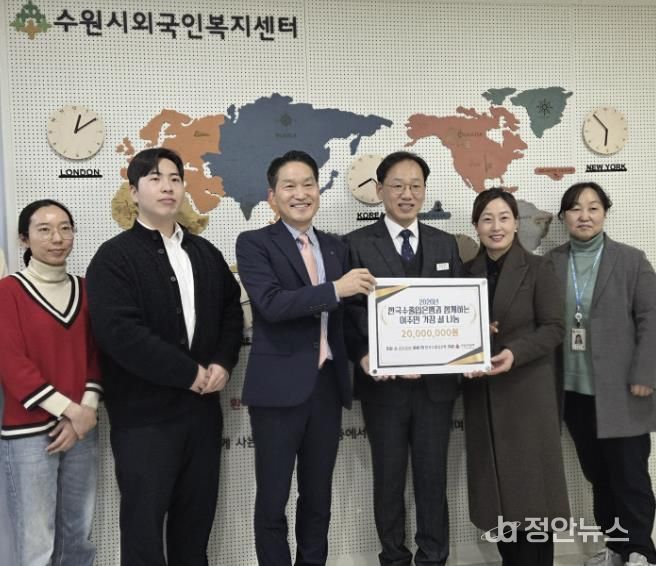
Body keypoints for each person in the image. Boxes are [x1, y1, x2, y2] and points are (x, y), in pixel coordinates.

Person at [86, 147, 243, 565]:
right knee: (143, 529)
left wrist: (223, 362)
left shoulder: (205, 253)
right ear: (133, 192)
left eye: (174, 178)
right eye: (155, 178)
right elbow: (120, 334)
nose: (167, 187)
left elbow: (231, 312)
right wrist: (188, 373)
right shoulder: (113, 257)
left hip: (202, 414)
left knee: (195, 527)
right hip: (144, 419)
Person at [236, 150, 375, 566]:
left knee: (318, 499)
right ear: (272, 196)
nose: (300, 194)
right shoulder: (254, 243)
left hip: (327, 388)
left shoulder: (335, 247)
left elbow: (349, 316)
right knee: (273, 500)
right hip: (278, 393)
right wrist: (335, 289)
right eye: (289, 186)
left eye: (308, 184)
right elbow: (271, 304)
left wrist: (367, 353)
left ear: (318, 189)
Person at [344, 151, 463, 566]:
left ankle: (434, 557)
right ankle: (393, 558)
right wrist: (364, 354)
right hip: (384, 387)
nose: (407, 194)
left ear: (425, 191)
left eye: (415, 186)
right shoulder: (355, 245)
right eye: (397, 185)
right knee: (389, 479)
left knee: (433, 480)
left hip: (436, 388)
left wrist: (472, 340)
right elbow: (348, 313)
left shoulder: (445, 243)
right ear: (380, 190)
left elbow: (458, 308)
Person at [547, 182, 656, 566]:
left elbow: (651, 318)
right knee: (599, 476)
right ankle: (616, 547)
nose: (584, 216)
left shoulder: (631, 260)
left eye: (593, 208)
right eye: (575, 209)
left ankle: (641, 550)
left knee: (630, 475)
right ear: (564, 217)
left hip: (624, 390)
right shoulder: (551, 263)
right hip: (574, 391)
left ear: (604, 213)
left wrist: (646, 373)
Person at [463, 188, 568, 566]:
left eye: (504, 218)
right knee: (499, 502)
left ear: (516, 224)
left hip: (527, 395)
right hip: (483, 397)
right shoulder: (464, 273)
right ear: (476, 225)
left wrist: (515, 352)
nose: (496, 226)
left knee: (533, 500)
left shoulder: (539, 268)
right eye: (487, 219)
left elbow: (554, 328)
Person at [0, 199, 102, 565]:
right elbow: (11, 363)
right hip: (29, 434)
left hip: (82, 430)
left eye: (65, 228)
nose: (57, 238)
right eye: (44, 230)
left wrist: (84, 413)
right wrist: (71, 411)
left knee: (78, 536)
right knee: (37, 542)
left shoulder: (88, 289)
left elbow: (97, 355)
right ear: (24, 239)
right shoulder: (8, 292)